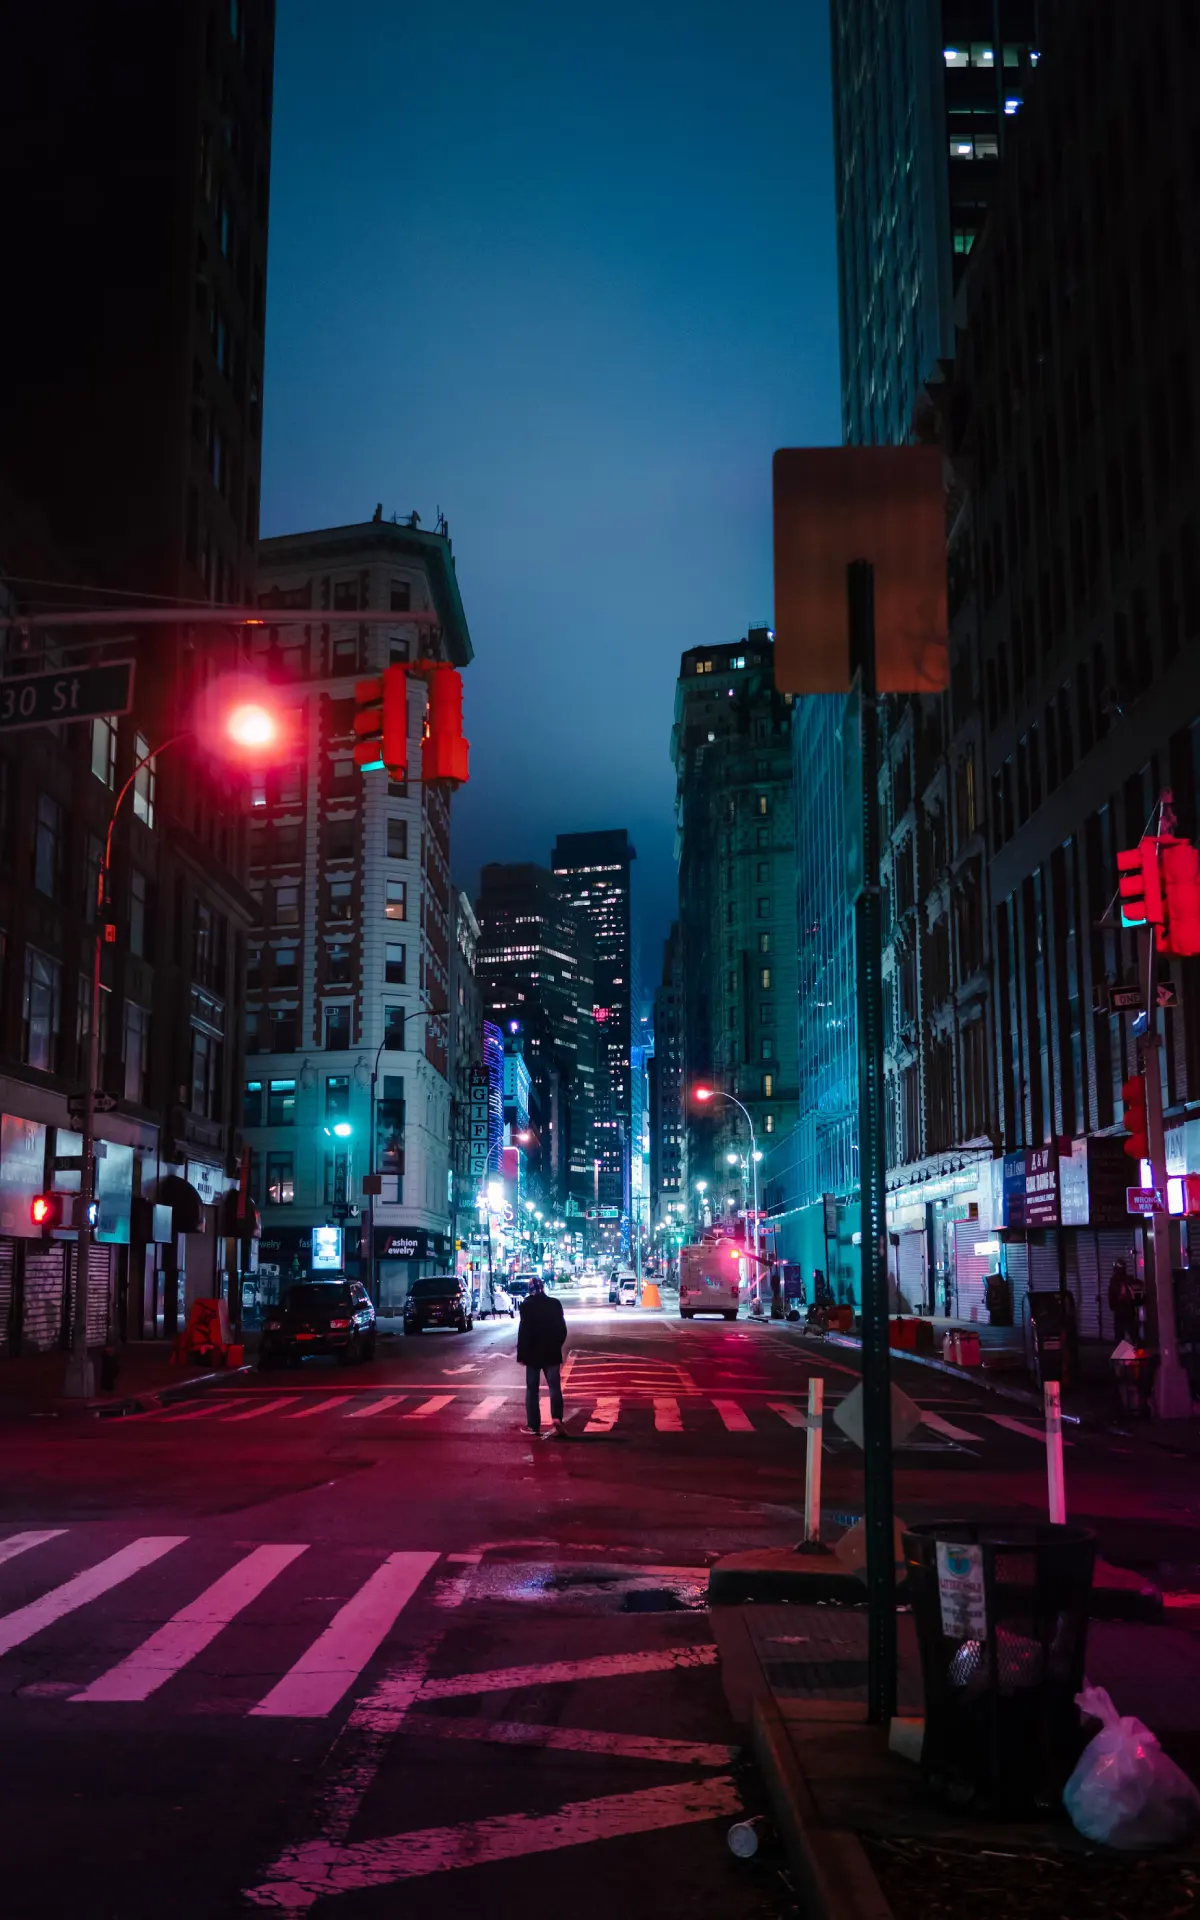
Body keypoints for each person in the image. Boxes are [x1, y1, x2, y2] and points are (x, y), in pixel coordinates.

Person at [516, 1273, 568, 1437]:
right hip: (551, 1351)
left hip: (532, 1354)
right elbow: (562, 1329)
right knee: (554, 1387)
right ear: (543, 1288)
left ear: (529, 1290)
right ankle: (557, 1417)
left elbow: (523, 1332)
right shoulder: (554, 1304)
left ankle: (534, 1425)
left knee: (532, 1389)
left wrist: (522, 1354)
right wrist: (557, 1344)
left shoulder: (526, 1306)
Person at [1108, 1258, 1139, 1346]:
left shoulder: (1114, 1281)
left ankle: (1122, 1352)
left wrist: (1114, 1306)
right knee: (1131, 1332)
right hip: (1128, 1310)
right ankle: (1135, 1348)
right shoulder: (1129, 1279)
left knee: (1120, 1334)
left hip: (1121, 1311)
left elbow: (1111, 1297)